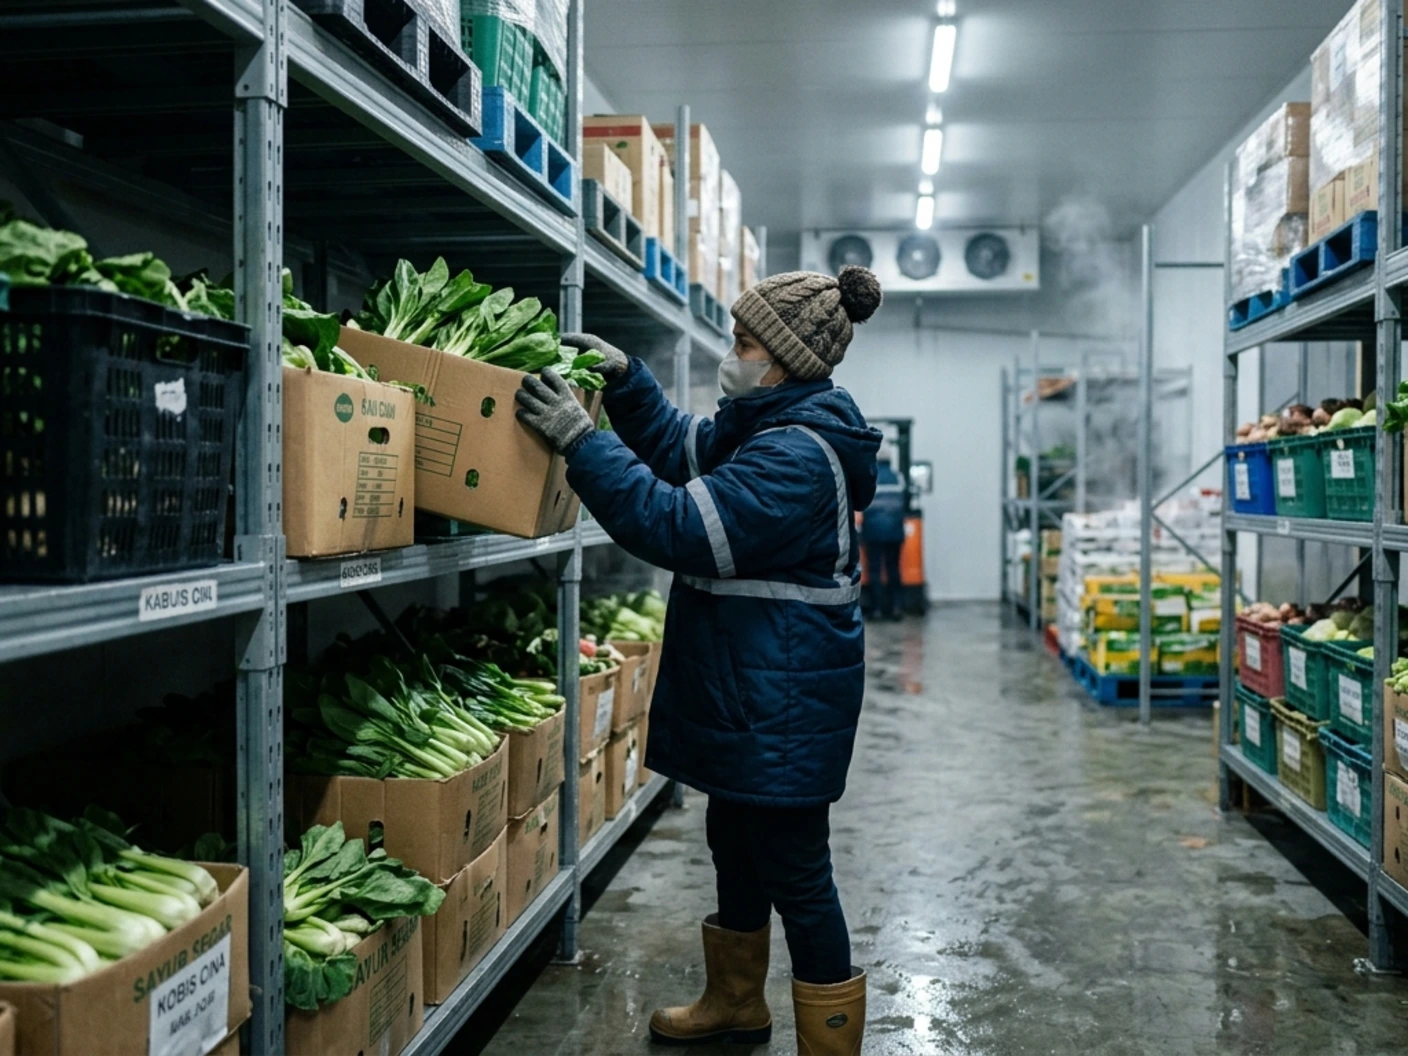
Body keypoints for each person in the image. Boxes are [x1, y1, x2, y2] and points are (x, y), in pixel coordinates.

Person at [513, 266, 884, 1055]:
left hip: (782, 702)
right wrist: (629, 383)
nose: (733, 354)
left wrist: (583, 441)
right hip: (752, 692)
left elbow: (679, 525)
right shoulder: (766, 421)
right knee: (734, 840)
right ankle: (736, 1002)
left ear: (783, 361)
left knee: (797, 870)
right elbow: (687, 449)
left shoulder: (796, 453)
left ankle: (830, 1043)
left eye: (745, 343)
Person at [861, 451, 907, 620]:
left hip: (873, 532)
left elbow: (863, 503)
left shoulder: (871, 477)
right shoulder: (898, 478)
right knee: (894, 569)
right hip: (895, 532)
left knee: (875, 570)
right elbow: (904, 502)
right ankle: (896, 608)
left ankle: (877, 610)